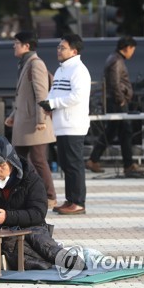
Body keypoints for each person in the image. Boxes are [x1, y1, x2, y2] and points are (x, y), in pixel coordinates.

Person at [0, 135, 66, 269]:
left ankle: (64, 259)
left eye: (1, 165)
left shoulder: (31, 179)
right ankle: (8, 260)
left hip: (27, 229)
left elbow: (38, 213)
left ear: (12, 162)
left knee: (37, 242)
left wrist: (7, 217)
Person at [4, 31, 57, 209]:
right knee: (17, 160)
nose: (14, 46)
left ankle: (50, 196)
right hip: (25, 122)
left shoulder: (36, 64)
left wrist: (41, 120)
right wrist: (12, 116)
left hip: (35, 124)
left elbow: (41, 94)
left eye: (16, 43)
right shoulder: (26, 63)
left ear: (26, 46)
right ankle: (21, 195)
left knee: (38, 160)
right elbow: (23, 96)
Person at [40, 34, 91, 215]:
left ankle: (78, 202)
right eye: (58, 47)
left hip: (73, 124)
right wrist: (47, 103)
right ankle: (70, 199)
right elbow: (54, 91)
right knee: (65, 164)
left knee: (74, 164)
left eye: (63, 47)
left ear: (74, 51)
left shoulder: (79, 70)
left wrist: (53, 104)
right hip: (61, 125)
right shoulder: (62, 69)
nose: (58, 50)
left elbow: (78, 96)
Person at [86, 36, 144, 176]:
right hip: (117, 102)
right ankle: (128, 165)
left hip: (115, 101)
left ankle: (94, 160)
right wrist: (121, 100)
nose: (133, 52)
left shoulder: (115, 58)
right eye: (133, 49)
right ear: (127, 47)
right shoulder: (116, 60)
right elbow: (114, 83)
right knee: (126, 131)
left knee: (112, 131)